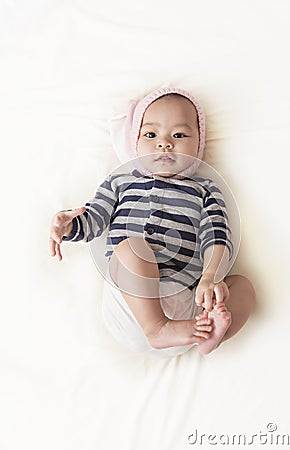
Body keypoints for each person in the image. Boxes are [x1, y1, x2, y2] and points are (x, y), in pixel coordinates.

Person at [49, 87, 255, 357]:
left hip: (187, 309)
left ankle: (212, 334)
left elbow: (216, 235)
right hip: (128, 300)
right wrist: (69, 226)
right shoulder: (121, 181)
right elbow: (95, 219)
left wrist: (210, 278)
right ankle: (156, 327)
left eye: (179, 135)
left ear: (199, 143)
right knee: (131, 248)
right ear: (135, 141)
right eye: (151, 134)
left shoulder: (204, 190)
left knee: (244, 288)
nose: (165, 143)